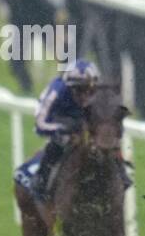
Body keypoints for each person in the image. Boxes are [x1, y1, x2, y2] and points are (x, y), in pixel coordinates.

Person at [28, 59, 100, 201]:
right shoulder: (57, 91)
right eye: (79, 90)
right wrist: (62, 128)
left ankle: (121, 173)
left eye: (89, 90)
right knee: (62, 140)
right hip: (58, 120)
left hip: (82, 119)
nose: (85, 96)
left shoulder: (97, 96)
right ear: (70, 87)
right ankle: (42, 180)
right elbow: (40, 123)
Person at [0, 0, 57, 94]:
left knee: (63, 54)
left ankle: (72, 83)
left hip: (44, 21)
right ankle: (26, 87)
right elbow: (14, 13)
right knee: (15, 58)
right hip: (25, 25)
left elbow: (47, 5)